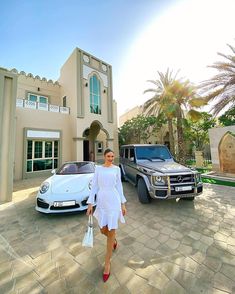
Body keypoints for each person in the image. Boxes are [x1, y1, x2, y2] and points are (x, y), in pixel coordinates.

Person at [86, 148, 127, 282]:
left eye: (112, 156)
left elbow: (119, 186)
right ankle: (114, 239)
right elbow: (94, 187)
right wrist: (90, 203)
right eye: (109, 156)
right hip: (102, 201)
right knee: (103, 230)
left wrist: (123, 203)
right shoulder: (98, 169)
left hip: (114, 201)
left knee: (110, 231)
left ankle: (107, 264)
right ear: (104, 156)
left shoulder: (116, 169)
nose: (111, 158)